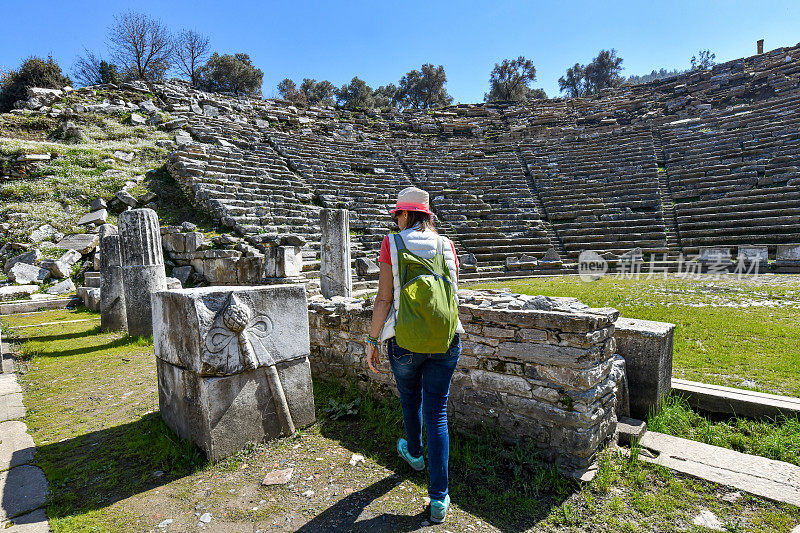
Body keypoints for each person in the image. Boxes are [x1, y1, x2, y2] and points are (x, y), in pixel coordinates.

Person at [365, 186, 463, 523]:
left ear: (406, 214)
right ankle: (439, 499)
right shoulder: (446, 245)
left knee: (410, 398)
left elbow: (383, 299)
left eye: (397, 213)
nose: (395, 218)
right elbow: (452, 293)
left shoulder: (392, 242)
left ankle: (416, 454)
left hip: (405, 342)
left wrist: (372, 340)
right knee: (437, 413)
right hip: (445, 341)